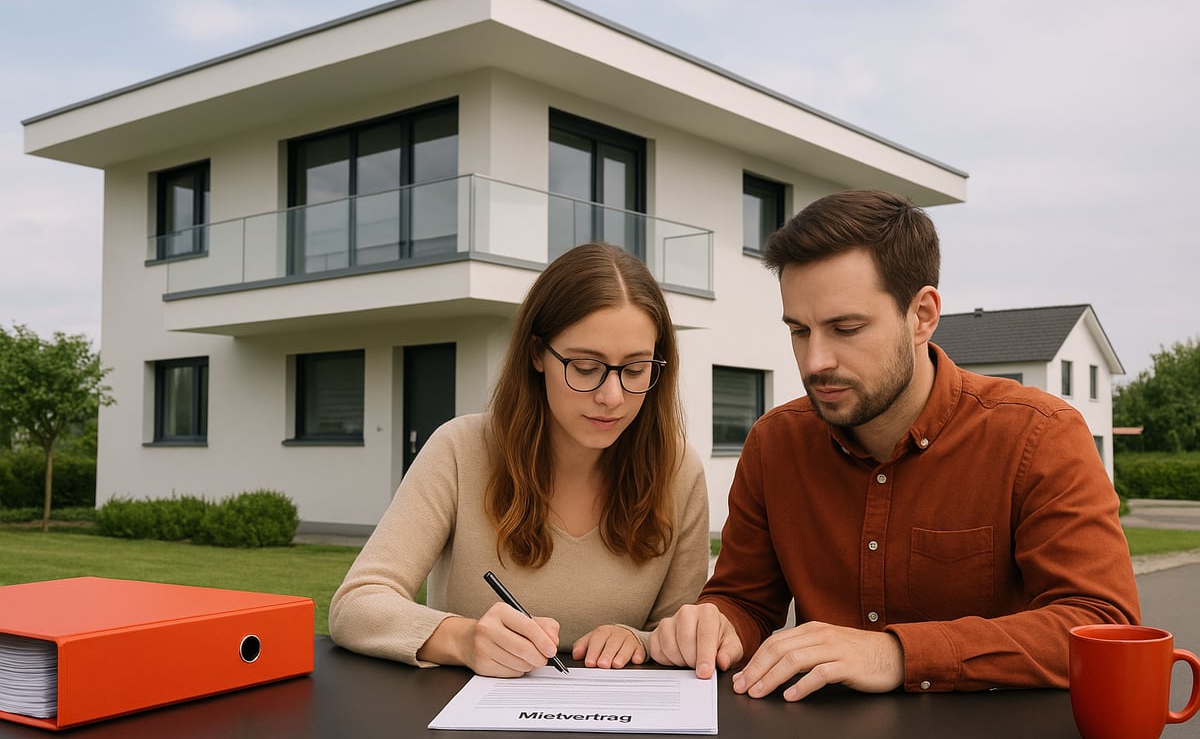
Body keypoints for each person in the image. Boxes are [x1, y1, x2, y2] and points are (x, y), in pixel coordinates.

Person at [649, 189, 1140, 700]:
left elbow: (1105, 626)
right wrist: (716, 625)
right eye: (799, 331)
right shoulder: (774, 445)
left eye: (847, 328)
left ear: (922, 315)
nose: (815, 361)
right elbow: (744, 602)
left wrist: (898, 653)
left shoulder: (1038, 435)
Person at [330, 242, 710, 677]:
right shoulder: (460, 450)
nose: (612, 397)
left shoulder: (679, 472)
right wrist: (463, 639)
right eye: (585, 368)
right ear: (536, 354)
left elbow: (681, 630)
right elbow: (356, 604)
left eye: (636, 369)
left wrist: (638, 639)